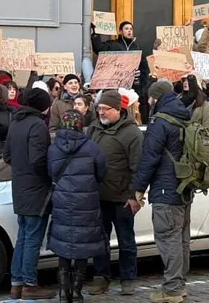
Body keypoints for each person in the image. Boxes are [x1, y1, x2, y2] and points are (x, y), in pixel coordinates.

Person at [133, 80, 193, 303]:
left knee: (169, 239)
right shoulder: (184, 116)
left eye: (150, 97)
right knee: (181, 239)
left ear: (156, 98)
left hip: (166, 189)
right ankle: (180, 284)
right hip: (184, 186)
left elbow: (149, 158)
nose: (148, 101)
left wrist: (139, 188)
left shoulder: (160, 122)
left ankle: (172, 290)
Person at [85, 90, 142, 296]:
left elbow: (138, 168)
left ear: (118, 109)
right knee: (100, 240)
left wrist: (135, 196)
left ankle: (128, 278)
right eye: (99, 108)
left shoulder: (132, 133)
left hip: (122, 198)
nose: (101, 112)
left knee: (126, 240)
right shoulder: (93, 129)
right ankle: (101, 277)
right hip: (98, 197)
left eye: (105, 109)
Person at [48, 110, 107, 302]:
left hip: (62, 202)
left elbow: (50, 172)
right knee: (82, 246)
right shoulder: (91, 147)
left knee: (64, 247)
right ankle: (76, 291)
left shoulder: (54, 147)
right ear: (80, 125)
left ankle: (63, 293)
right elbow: (101, 172)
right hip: (86, 202)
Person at [3, 87, 55, 300]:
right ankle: (29, 284)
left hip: (20, 186)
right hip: (37, 188)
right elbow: (38, 159)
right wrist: (50, 175)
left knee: (23, 236)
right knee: (32, 237)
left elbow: (6, 156)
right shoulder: (37, 125)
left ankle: (16, 284)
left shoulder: (15, 122)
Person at [91, 20, 149, 95]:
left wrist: (140, 78)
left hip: (133, 87)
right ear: (120, 31)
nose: (129, 31)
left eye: (131, 29)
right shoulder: (113, 45)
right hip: (115, 86)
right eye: (126, 29)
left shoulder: (137, 48)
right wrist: (96, 32)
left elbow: (144, 68)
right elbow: (99, 49)